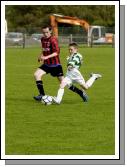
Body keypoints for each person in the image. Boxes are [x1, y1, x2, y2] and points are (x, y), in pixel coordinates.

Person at [33, 26, 88, 102]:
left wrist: (46, 57)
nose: (45, 34)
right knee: (36, 74)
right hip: (47, 64)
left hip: (55, 65)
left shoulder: (53, 40)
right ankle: (42, 95)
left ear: (51, 31)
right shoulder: (42, 39)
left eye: (47, 32)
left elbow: (56, 52)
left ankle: (80, 92)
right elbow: (44, 49)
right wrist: (41, 56)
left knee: (66, 84)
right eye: (43, 32)